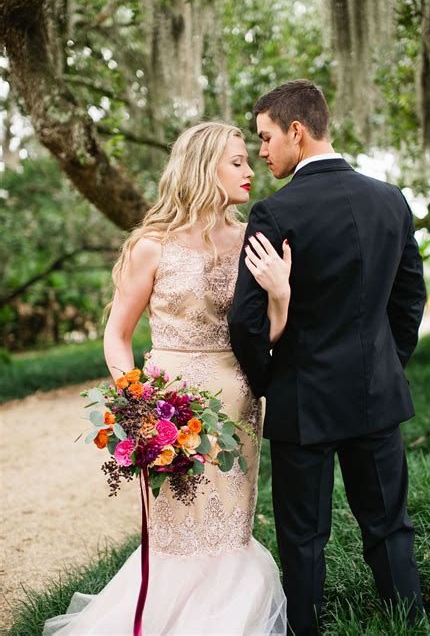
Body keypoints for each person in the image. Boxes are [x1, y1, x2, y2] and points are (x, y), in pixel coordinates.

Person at [43, 122, 286, 635]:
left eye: (248, 159)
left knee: (228, 529)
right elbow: (117, 334)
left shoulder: (250, 240)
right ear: (202, 167)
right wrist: (138, 404)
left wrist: (281, 296)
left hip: (238, 406)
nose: (250, 170)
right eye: (237, 161)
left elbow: (265, 332)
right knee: (178, 532)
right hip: (171, 410)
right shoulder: (151, 246)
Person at [228, 80, 426, 635]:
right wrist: (387, 362)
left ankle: (306, 629)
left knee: (304, 536)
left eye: (266, 138)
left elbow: (245, 320)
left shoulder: (274, 213)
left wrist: (268, 381)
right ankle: (407, 622)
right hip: (376, 396)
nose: (262, 151)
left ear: (297, 131)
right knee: (390, 525)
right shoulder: (391, 200)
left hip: (302, 401)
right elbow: (410, 297)